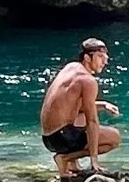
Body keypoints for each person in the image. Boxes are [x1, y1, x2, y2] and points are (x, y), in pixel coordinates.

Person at [39, 38, 122, 174]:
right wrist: (94, 160)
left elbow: (72, 106)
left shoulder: (71, 67)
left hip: (49, 138)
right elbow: (92, 121)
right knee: (114, 138)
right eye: (100, 57)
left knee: (79, 115)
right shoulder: (88, 81)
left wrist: (103, 105)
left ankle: (72, 165)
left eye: (106, 57)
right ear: (87, 58)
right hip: (62, 138)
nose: (105, 62)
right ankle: (65, 158)